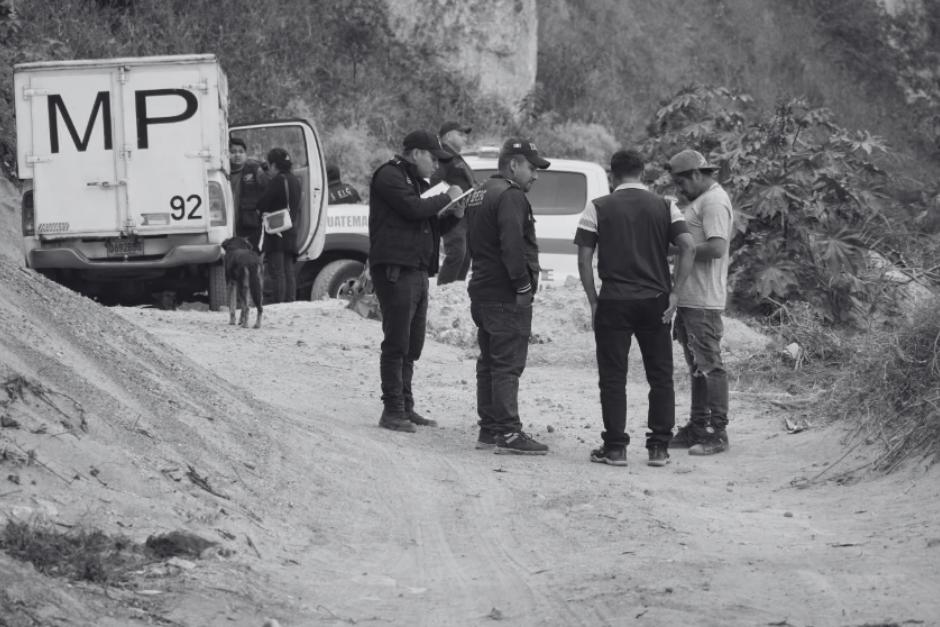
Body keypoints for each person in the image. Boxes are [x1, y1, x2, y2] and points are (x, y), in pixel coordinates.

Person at [574, 149, 695, 467]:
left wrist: (593, 299)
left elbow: (584, 258)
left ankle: (615, 448)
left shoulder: (597, 206)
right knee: (661, 375)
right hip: (655, 301)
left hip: (614, 300)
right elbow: (688, 246)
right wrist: (675, 293)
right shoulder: (666, 206)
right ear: (642, 172)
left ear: (612, 175)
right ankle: (659, 448)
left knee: (613, 376)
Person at [368, 130, 464, 433]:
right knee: (397, 342)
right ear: (416, 153)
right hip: (397, 270)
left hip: (417, 270)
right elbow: (412, 209)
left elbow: (428, 224)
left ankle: (405, 407)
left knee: (412, 345)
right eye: (433, 158)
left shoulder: (416, 183)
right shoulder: (390, 176)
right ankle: (392, 410)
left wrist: (454, 213)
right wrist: (446, 197)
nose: (436, 165)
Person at [465, 138, 550, 455]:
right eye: (532, 167)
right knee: (506, 365)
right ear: (513, 165)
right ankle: (508, 433)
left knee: (489, 362)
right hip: (505, 293)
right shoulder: (511, 196)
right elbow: (512, 245)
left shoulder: (480, 192)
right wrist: (523, 287)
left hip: (483, 289)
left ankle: (489, 430)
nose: (536, 175)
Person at [666, 149, 735, 456]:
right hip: (691, 298)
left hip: (704, 300)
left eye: (681, 182)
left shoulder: (714, 202)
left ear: (695, 174)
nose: (679, 189)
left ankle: (716, 432)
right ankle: (697, 426)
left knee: (710, 367)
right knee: (697, 367)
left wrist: (678, 249)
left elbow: (717, 248)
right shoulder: (703, 201)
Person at [431, 121, 477, 285]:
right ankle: (445, 289)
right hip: (453, 212)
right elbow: (435, 181)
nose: (465, 138)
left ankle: (455, 289)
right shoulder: (444, 156)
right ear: (449, 136)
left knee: (465, 255)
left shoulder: (455, 157)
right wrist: (449, 200)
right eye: (460, 134)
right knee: (457, 253)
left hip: (464, 212)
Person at [256, 147, 302, 304]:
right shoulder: (294, 180)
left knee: (277, 272)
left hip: (277, 231)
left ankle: (279, 304)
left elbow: (262, 203)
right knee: (289, 271)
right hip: (291, 229)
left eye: (269, 165)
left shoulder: (277, 180)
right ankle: (290, 302)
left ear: (274, 165)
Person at [229, 137, 269, 251]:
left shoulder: (254, 169)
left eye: (241, 152)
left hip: (249, 222)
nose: (237, 155)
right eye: (233, 152)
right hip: (230, 222)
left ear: (246, 154)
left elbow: (267, 188)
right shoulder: (224, 171)